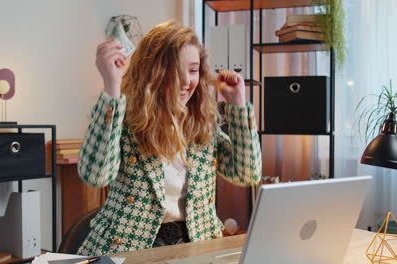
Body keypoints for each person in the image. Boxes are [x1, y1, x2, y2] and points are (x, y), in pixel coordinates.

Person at [77, 21, 262, 256]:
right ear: (150, 70)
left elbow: (248, 173)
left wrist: (238, 104)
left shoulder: (202, 123)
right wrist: (112, 87)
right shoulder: (123, 119)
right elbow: (95, 176)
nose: (186, 81)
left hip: (197, 244)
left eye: (193, 70)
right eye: (174, 69)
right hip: (130, 246)